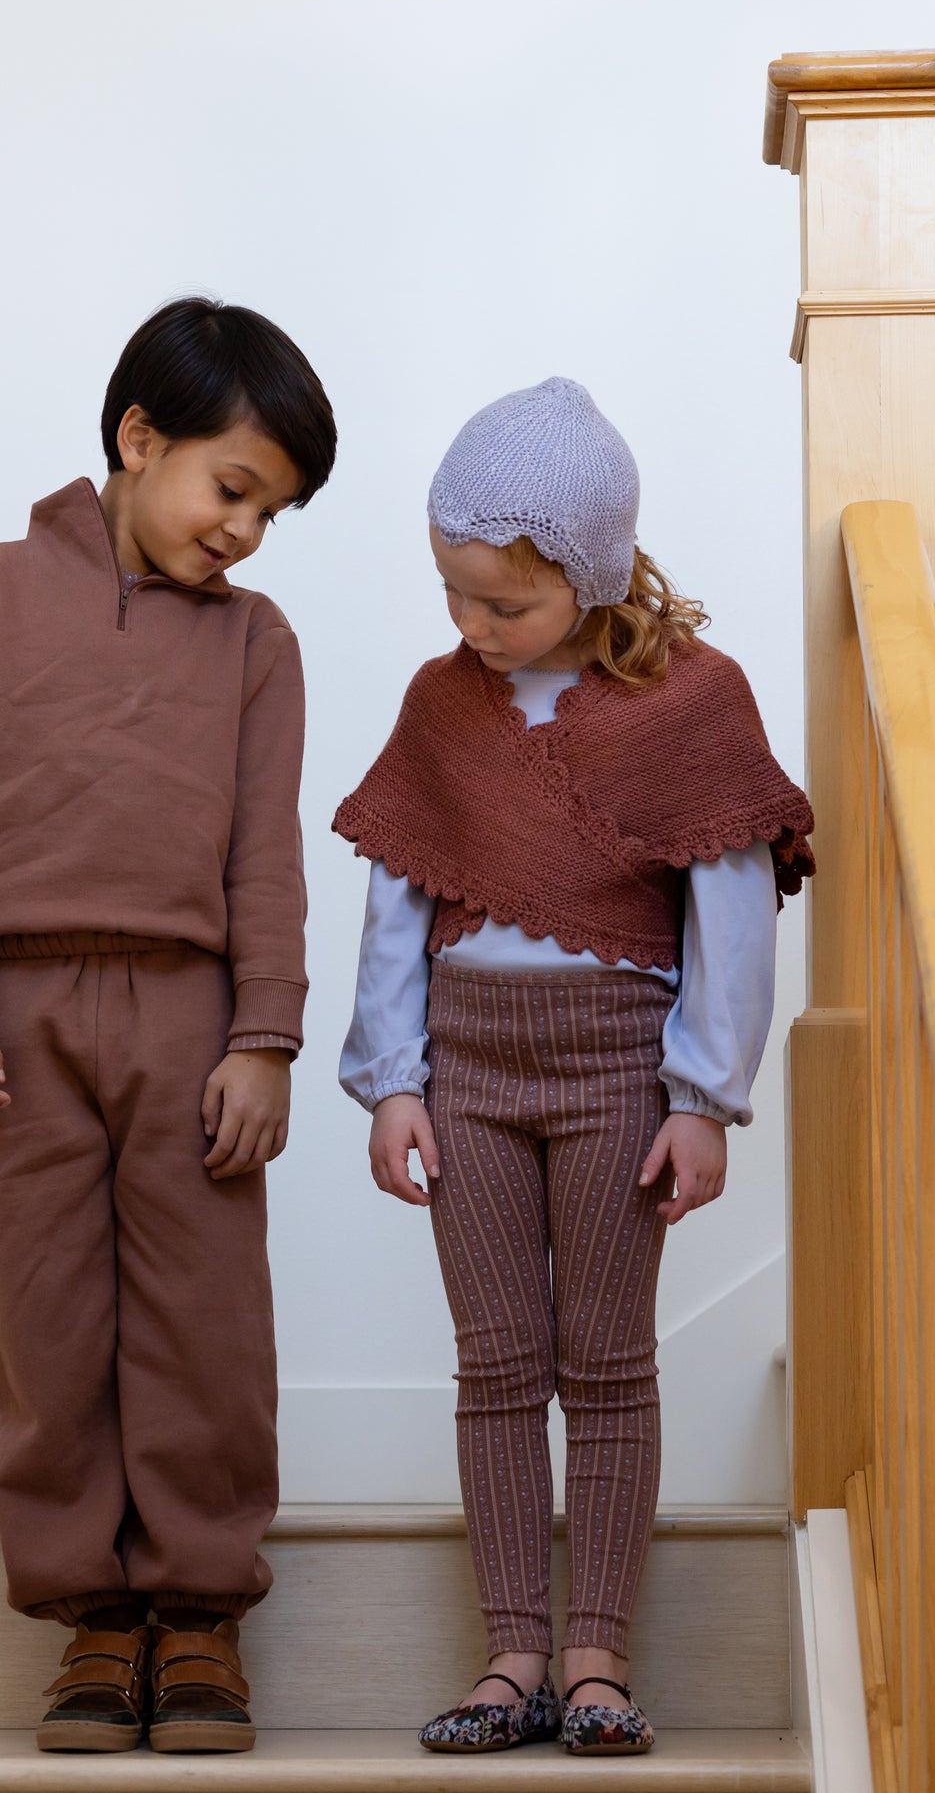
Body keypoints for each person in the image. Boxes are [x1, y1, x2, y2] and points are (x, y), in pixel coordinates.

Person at [0, 297, 336, 1756]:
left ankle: (198, 1613)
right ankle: (90, 1618)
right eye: (235, 488)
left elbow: (267, 851)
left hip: (193, 1020)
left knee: (206, 1318)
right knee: (45, 1311)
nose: (247, 532)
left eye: (276, 511)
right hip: (12, 1016)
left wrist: (264, 1034)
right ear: (140, 439)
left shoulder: (258, 644)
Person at [334, 377, 813, 1757]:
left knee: (603, 1365)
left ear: (594, 579)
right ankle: (510, 1658)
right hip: (467, 1075)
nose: (473, 629)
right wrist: (394, 1080)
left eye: (505, 606)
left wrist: (705, 1098)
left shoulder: (690, 704)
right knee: (495, 1366)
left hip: (617, 1075)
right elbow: (398, 901)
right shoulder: (443, 705)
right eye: (453, 596)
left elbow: (727, 913)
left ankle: (595, 1659)